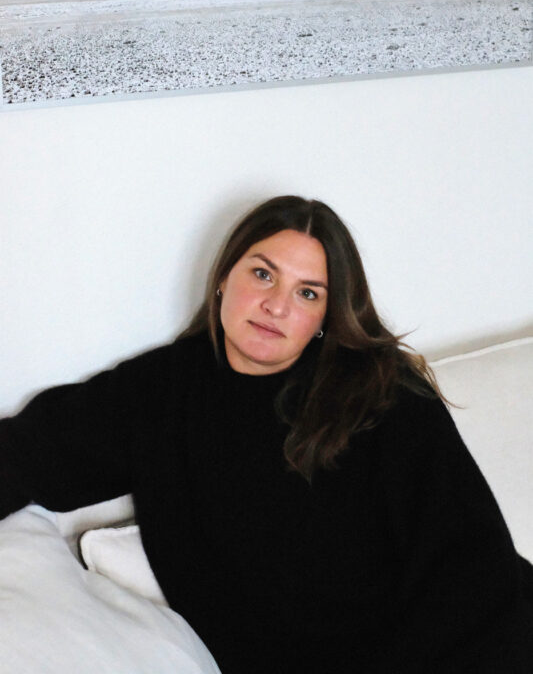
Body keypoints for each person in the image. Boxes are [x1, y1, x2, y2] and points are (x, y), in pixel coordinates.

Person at [1, 195, 532, 674]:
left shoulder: (383, 392)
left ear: (325, 316)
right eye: (262, 274)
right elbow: (25, 456)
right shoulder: (159, 393)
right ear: (223, 278)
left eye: (307, 292)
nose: (277, 305)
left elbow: (473, 571)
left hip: (475, 645)